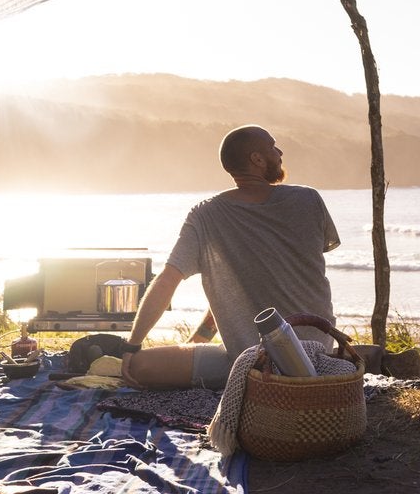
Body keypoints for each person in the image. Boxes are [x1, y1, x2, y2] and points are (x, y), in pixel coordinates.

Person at [120, 125, 339, 390]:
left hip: (250, 362)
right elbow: (248, 282)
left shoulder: (205, 216)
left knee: (139, 367)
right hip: (318, 353)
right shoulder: (309, 200)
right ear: (257, 159)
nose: (280, 152)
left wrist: (132, 346)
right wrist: (201, 338)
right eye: (273, 146)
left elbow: (168, 280)